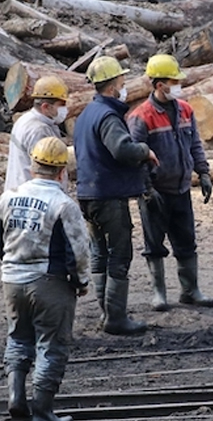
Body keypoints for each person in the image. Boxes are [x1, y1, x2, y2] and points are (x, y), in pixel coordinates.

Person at [0, 137, 90, 421]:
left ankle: (16, 397)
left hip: (12, 278)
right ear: (62, 172)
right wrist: (82, 281)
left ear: (33, 166)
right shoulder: (63, 204)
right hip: (49, 282)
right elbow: (79, 249)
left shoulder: (7, 197)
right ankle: (43, 412)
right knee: (52, 344)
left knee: (19, 337)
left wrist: (12, 265)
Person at [74, 56, 159, 335]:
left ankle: (106, 312)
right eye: (122, 84)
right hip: (108, 196)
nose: (124, 89)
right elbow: (121, 149)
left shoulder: (87, 114)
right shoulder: (108, 116)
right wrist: (144, 151)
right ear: (111, 87)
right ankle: (116, 318)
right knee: (119, 255)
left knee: (99, 253)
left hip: (88, 194)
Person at [127, 54, 213, 311]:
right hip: (156, 191)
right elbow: (136, 156)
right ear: (158, 84)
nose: (178, 85)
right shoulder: (141, 116)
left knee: (186, 241)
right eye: (173, 81)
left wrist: (204, 173)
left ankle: (190, 290)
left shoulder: (185, 110)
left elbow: (195, 145)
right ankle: (159, 293)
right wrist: (146, 189)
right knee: (154, 245)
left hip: (181, 188)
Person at [5, 76, 70, 192]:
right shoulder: (39, 130)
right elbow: (46, 172)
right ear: (45, 107)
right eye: (61, 105)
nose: (65, 109)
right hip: (33, 195)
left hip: (17, 190)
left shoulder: (25, 119)